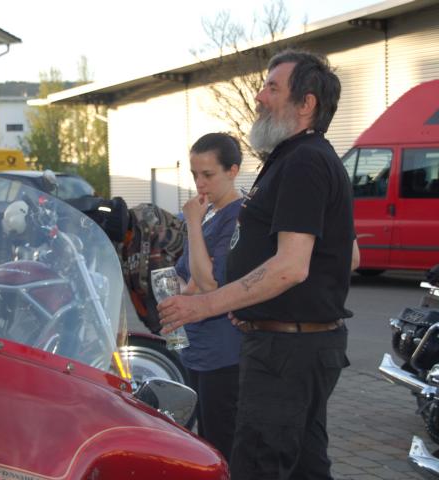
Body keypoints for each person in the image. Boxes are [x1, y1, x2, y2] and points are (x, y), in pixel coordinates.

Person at [159, 49, 360, 479]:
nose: (259, 96)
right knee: (306, 469)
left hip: (286, 354)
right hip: (294, 346)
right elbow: (346, 254)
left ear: (306, 103)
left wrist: (204, 305)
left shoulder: (305, 161)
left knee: (258, 466)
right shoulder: (293, 158)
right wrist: (254, 303)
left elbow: (290, 267)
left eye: (272, 88)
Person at [174, 132, 243, 461]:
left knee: (220, 444)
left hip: (223, 353)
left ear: (233, 171)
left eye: (208, 174)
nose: (200, 184)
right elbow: (184, 277)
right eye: (194, 175)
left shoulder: (236, 217)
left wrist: (192, 222)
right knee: (202, 440)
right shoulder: (210, 213)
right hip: (196, 347)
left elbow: (208, 282)